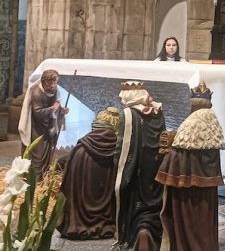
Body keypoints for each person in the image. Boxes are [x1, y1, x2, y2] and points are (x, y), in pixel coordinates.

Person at [155, 81, 224, 251]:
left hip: (188, 190)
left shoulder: (191, 124)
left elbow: (182, 156)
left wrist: (167, 152)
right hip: (207, 189)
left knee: (190, 220)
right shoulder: (213, 122)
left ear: (194, 103)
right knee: (204, 219)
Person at [113, 82, 166, 251]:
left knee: (132, 198)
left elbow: (121, 144)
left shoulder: (128, 114)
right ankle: (152, 232)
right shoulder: (158, 111)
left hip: (136, 168)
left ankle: (135, 234)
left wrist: (116, 163)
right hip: (155, 166)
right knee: (153, 199)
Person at [58, 107, 120, 239]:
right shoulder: (117, 153)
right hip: (107, 220)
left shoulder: (79, 150)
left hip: (77, 220)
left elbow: (67, 188)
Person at [18, 69, 69, 178]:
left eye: (55, 82)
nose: (53, 86)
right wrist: (52, 109)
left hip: (48, 128)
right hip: (37, 128)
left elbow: (57, 106)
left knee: (47, 153)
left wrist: (62, 110)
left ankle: (43, 176)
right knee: (38, 154)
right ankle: (34, 179)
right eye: (50, 83)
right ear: (44, 82)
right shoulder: (37, 92)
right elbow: (37, 112)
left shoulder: (55, 90)